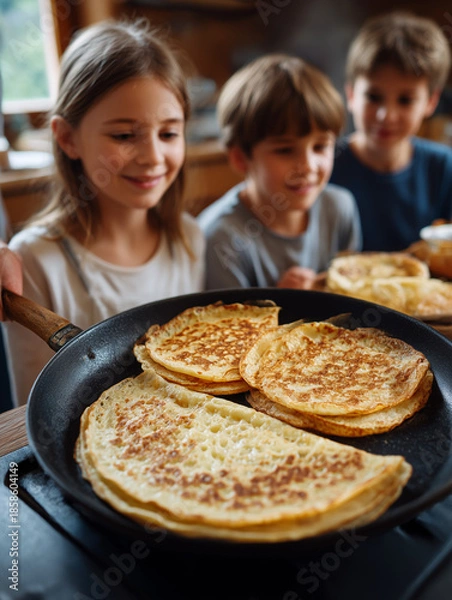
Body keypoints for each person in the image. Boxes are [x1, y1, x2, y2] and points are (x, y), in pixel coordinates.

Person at [3, 19, 205, 407]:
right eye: (124, 136)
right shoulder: (35, 260)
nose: (152, 157)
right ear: (67, 138)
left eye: (168, 133)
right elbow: (36, 412)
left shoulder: (190, 237)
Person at [198, 53, 362, 290]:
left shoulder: (340, 208)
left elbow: (353, 296)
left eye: (320, 146)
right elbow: (225, 326)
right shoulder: (219, 240)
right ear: (240, 158)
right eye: (285, 150)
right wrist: (285, 302)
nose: (308, 166)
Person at [329, 10, 452, 252]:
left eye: (405, 100)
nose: (386, 115)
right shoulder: (323, 167)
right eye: (373, 97)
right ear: (351, 94)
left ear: (430, 102)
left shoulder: (444, 167)